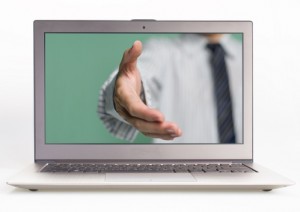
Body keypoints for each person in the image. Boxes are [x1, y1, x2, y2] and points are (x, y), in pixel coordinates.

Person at [98, 34, 242, 143]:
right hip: (181, 179)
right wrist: (125, 90)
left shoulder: (251, 56)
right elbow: (142, 74)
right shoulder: (161, 51)